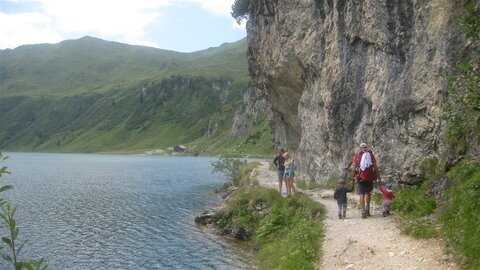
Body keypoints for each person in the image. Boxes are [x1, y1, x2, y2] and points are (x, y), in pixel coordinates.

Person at [351, 142, 380, 218]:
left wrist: (352, 178)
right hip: (370, 177)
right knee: (368, 193)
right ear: (366, 147)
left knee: (361, 194)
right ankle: (367, 209)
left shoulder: (357, 156)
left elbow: (353, 168)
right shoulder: (370, 155)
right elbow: (375, 166)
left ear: (360, 148)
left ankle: (363, 211)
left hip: (361, 178)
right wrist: (378, 176)